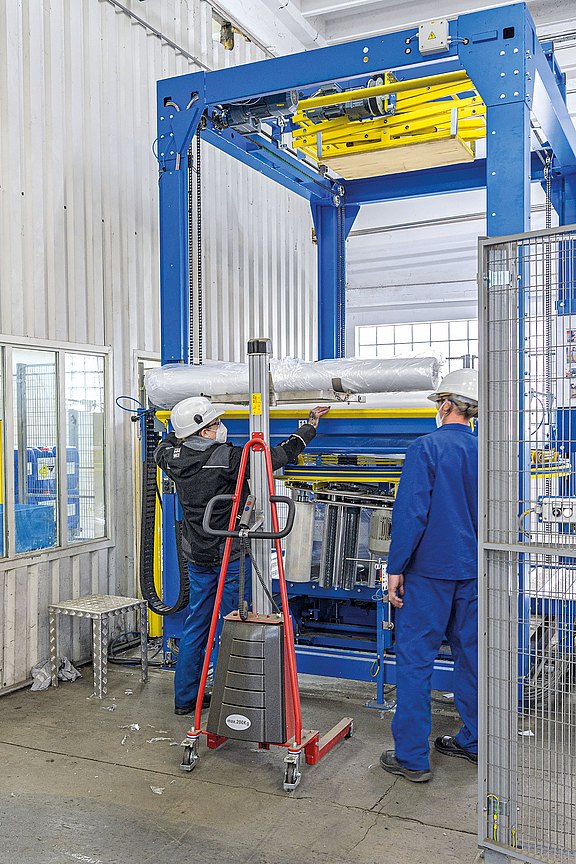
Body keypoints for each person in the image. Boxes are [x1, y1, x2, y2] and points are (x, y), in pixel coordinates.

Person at [155, 397, 330, 715]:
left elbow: (162, 446)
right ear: (206, 432)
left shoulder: (171, 457)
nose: (221, 428)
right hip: (230, 556)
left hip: (197, 554)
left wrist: (174, 426)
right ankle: (235, 698)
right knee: (235, 622)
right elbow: (277, 457)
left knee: (197, 624)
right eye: (215, 424)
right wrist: (309, 427)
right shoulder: (230, 457)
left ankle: (185, 699)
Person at [380, 368, 479, 783]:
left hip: (429, 574)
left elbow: (411, 514)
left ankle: (413, 758)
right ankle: (475, 742)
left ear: (447, 404)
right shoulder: (492, 452)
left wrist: (396, 568)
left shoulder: (426, 448)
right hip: (476, 573)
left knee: (415, 661)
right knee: (473, 659)